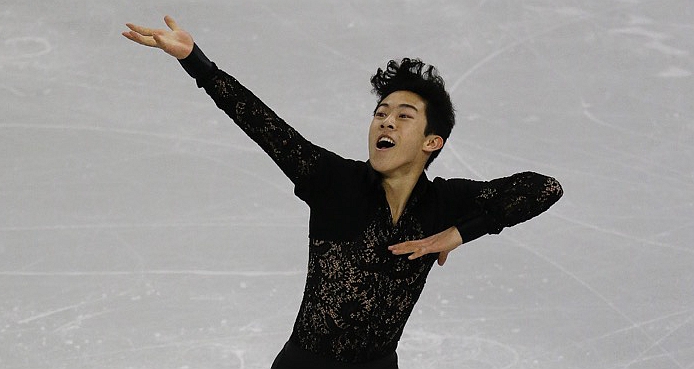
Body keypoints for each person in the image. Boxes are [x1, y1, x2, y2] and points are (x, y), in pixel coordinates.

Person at [123, 16, 563, 369]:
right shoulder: (333, 181)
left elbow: (543, 188)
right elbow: (261, 122)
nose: (386, 122)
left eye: (404, 116)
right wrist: (194, 60)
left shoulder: (442, 203)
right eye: (381, 112)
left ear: (433, 142)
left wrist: (456, 234)